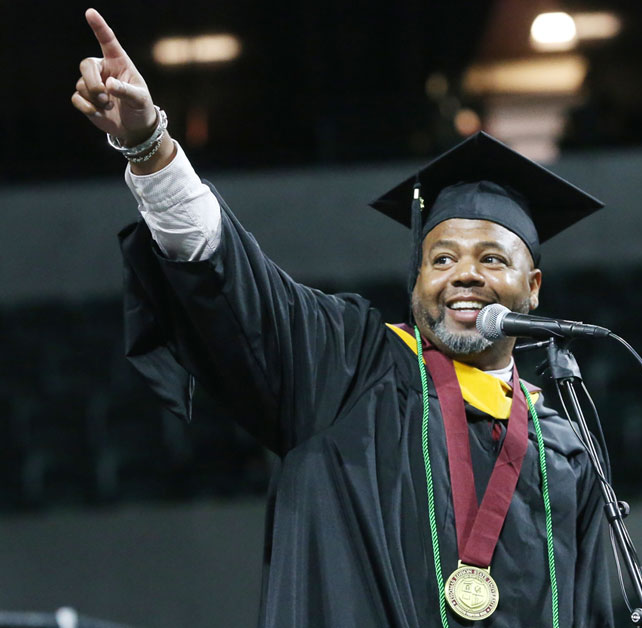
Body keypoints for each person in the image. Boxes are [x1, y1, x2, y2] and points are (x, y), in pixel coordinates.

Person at [72, 8, 614, 627]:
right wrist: (150, 148)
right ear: (418, 280)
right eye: (441, 257)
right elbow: (238, 283)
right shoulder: (347, 369)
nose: (465, 274)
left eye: (492, 258)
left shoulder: (565, 454)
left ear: (533, 287)